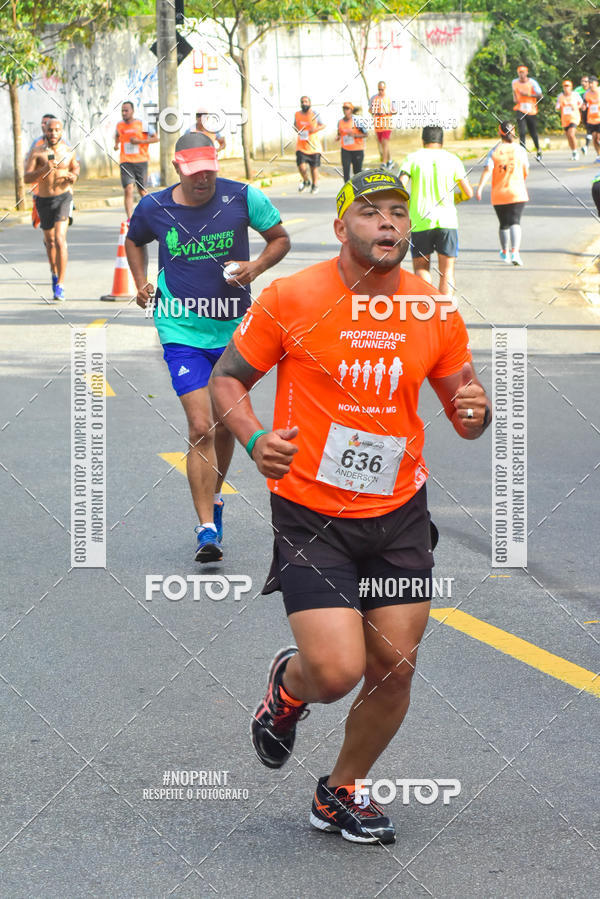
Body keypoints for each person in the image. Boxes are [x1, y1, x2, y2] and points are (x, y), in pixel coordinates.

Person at [209, 168, 491, 845]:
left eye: (397, 212)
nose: (388, 224)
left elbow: (465, 406)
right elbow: (227, 379)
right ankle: (290, 684)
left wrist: (476, 410)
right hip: (312, 512)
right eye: (370, 213)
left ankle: (340, 791)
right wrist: (253, 439)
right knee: (338, 671)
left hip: (397, 513)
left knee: (393, 667)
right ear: (342, 228)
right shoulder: (292, 297)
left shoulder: (433, 308)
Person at [125, 133, 290, 562]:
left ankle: (213, 498)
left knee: (225, 423)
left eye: (210, 170)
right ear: (177, 167)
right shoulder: (154, 207)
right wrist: (140, 282)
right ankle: (205, 529)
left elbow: (280, 238)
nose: (204, 180)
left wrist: (255, 267)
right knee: (201, 426)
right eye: (195, 172)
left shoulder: (243, 197)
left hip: (235, 328)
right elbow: (134, 239)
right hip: (180, 327)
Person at [399, 125, 473, 295]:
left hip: (420, 220)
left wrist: (407, 207)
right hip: (447, 220)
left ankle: (426, 308)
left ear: (423, 140)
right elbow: (468, 192)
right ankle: (445, 312)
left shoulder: (412, 158)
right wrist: (455, 199)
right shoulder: (453, 159)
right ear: (442, 141)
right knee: (447, 271)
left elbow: (400, 186)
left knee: (421, 269)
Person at [24, 118, 79, 301]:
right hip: (43, 200)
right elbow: (26, 177)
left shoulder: (68, 151)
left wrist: (73, 176)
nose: (53, 133)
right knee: (50, 242)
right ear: (45, 131)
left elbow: (75, 167)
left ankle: (61, 285)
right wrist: (43, 170)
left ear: (61, 132)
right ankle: (54, 274)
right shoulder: (37, 152)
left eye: (57, 130)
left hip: (64, 197)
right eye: (50, 130)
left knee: (59, 239)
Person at [475, 121, 529, 266]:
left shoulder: (494, 151)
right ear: (513, 133)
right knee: (515, 221)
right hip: (517, 192)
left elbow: (488, 170)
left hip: (499, 193)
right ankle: (515, 252)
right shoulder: (520, 150)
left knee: (504, 223)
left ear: (500, 133)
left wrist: (480, 188)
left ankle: (504, 252)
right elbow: (525, 171)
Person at [114, 101, 158, 221]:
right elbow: (117, 136)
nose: (124, 113)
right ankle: (130, 219)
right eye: (122, 111)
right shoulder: (120, 125)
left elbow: (155, 138)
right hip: (125, 161)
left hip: (141, 160)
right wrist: (116, 144)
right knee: (128, 188)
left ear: (132, 111)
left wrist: (140, 142)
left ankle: (150, 215)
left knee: (142, 191)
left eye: (126, 110)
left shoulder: (141, 124)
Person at [25, 114, 56, 229]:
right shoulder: (36, 143)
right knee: (46, 225)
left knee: (58, 228)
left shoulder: (64, 144)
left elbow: (75, 162)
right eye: (42, 123)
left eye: (46, 123)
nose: (43, 125)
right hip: (40, 188)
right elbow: (28, 162)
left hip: (58, 189)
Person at [294, 96, 326, 194]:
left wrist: (314, 130)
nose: (304, 103)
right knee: (301, 166)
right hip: (301, 146)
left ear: (310, 103)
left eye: (306, 101)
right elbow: (295, 125)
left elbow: (323, 125)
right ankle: (306, 180)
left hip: (314, 146)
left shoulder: (315, 114)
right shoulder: (297, 114)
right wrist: (298, 130)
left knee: (314, 168)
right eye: (302, 102)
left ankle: (315, 185)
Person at [512, 65, 542, 160]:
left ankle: (538, 150)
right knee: (522, 131)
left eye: (523, 72)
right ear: (518, 73)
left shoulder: (532, 82)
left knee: (533, 132)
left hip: (531, 110)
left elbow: (540, 96)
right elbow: (514, 93)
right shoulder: (514, 82)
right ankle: (522, 153)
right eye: (520, 72)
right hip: (520, 108)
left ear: (527, 73)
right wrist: (515, 98)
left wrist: (528, 95)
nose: (521, 74)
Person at [336, 102, 367, 181]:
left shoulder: (357, 120)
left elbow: (365, 134)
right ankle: (348, 188)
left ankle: (358, 188)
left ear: (351, 110)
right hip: (345, 149)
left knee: (357, 172)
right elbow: (339, 133)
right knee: (346, 170)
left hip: (357, 150)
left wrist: (354, 135)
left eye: (347, 108)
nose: (345, 110)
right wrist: (338, 137)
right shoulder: (340, 122)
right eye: (344, 108)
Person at [555, 80, 584, 160]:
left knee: (571, 134)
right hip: (565, 119)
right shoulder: (560, 96)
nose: (566, 88)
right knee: (568, 136)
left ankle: (575, 153)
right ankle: (574, 151)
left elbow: (581, 103)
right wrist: (558, 107)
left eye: (568, 86)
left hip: (574, 117)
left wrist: (577, 107)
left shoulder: (575, 95)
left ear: (571, 87)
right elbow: (557, 105)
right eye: (565, 86)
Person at [369, 81, 394, 168]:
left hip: (387, 125)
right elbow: (370, 110)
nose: (380, 91)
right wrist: (376, 112)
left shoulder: (389, 98)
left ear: (385, 89)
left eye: (382, 90)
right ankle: (390, 160)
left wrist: (386, 111)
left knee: (384, 142)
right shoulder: (373, 98)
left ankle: (383, 163)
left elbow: (395, 110)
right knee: (383, 144)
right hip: (378, 125)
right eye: (379, 89)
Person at [583, 75, 600, 161]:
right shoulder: (587, 93)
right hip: (591, 119)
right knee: (594, 137)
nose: (590, 85)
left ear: (596, 83)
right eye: (589, 83)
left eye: (592, 83)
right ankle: (598, 155)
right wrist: (583, 107)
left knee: (598, 137)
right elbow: (585, 104)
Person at [575, 75, 592, 154]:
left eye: (585, 81)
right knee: (589, 129)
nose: (583, 83)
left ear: (589, 82)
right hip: (584, 112)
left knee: (590, 130)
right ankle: (586, 146)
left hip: (594, 112)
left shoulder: (592, 90)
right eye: (582, 81)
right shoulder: (578, 90)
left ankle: (586, 146)